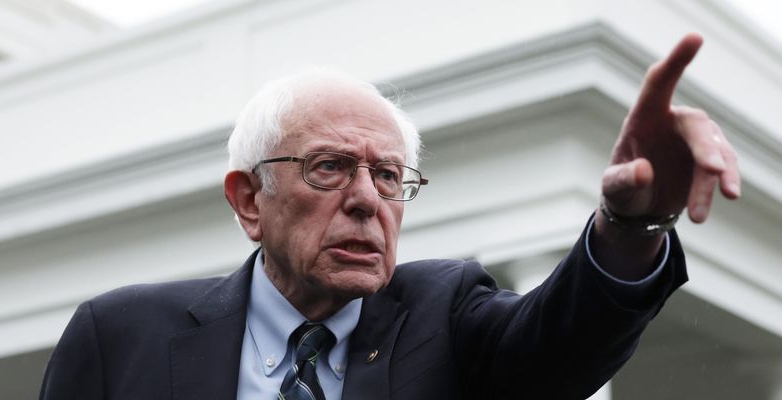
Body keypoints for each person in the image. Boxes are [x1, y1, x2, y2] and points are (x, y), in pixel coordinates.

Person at [40, 33, 740, 400]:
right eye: (329, 167)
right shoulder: (119, 338)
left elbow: (560, 342)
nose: (368, 198)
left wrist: (630, 225)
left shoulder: (447, 315)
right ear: (250, 200)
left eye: (388, 176)